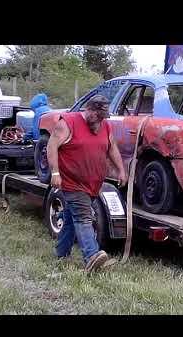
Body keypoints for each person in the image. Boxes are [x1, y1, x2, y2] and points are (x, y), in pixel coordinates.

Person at [47, 95, 127, 272]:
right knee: (83, 217)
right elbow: (51, 146)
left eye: (103, 117)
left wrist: (121, 170)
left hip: (93, 184)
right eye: (98, 116)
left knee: (70, 219)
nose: (100, 120)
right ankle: (92, 257)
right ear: (89, 110)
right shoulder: (68, 123)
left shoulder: (105, 126)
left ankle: (61, 255)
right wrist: (55, 173)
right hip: (72, 183)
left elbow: (111, 147)